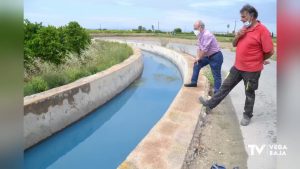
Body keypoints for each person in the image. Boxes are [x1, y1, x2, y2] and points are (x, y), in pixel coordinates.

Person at [199, 4, 274, 126]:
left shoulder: (262, 31)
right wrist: (238, 35)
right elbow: (234, 44)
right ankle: (210, 104)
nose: (241, 19)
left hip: (252, 71)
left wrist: (259, 60)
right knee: (225, 87)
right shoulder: (244, 29)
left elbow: (270, 51)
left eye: (243, 17)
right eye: (241, 17)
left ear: (252, 15)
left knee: (249, 93)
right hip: (237, 67)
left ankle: (247, 115)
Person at [184, 20, 224, 94]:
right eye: (194, 28)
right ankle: (193, 82)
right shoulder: (200, 35)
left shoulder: (207, 35)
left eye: (195, 28)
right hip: (207, 56)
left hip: (216, 56)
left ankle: (216, 93)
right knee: (197, 64)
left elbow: (205, 49)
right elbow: (199, 48)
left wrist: (199, 57)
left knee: (216, 75)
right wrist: (197, 57)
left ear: (200, 27)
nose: (194, 30)